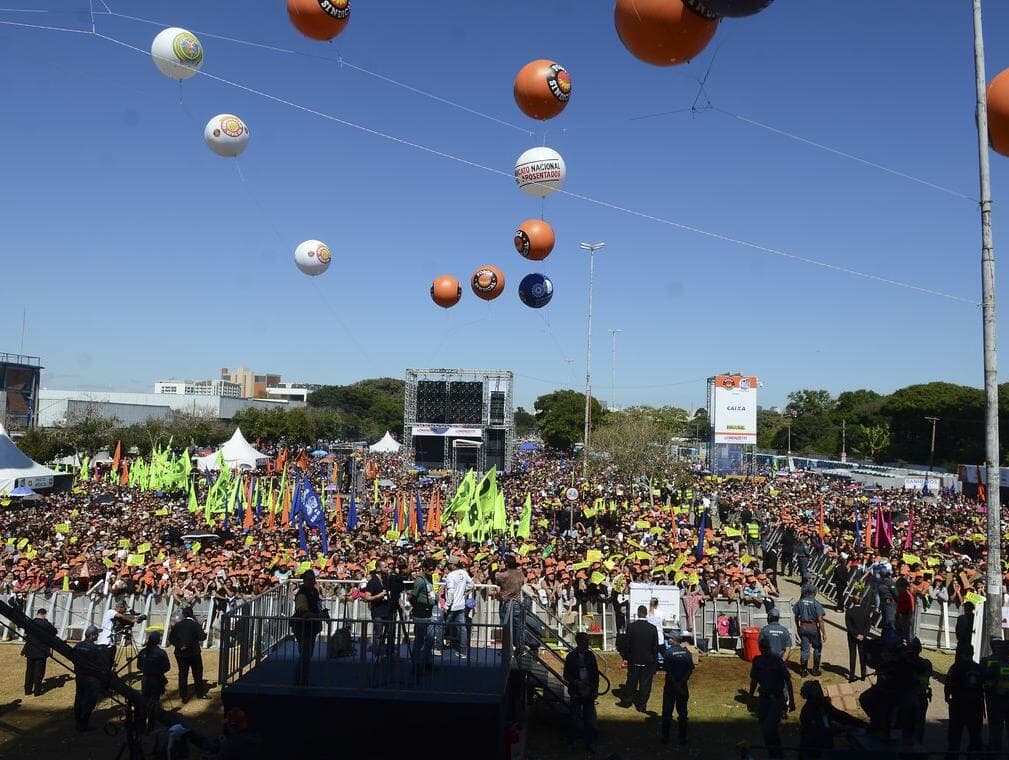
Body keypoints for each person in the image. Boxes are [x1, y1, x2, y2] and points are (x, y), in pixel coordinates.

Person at [748, 638, 795, 759]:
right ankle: (774, 753)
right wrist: (750, 697)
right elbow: (754, 681)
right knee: (766, 729)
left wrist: (792, 701)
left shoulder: (777, 661)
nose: (765, 650)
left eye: (766, 648)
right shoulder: (757, 661)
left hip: (776, 699)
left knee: (770, 728)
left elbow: (788, 681)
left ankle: (777, 754)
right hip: (764, 699)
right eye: (764, 648)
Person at [797, 679, 867, 758]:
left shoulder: (823, 705)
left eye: (820, 691)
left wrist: (860, 723)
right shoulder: (807, 712)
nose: (820, 694)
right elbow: (819, 732)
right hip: (812, 750)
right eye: (817, 693)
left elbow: (840, 716)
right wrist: (841, 729)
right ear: (810, 696)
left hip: (825, 746)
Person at [945, 644, 985, 759]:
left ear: (962, 654)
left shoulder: (956, 667)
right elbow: (984, 685)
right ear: (972, 653)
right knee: (975, 733)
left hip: (959, 703)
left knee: (955, 733)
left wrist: (947, 697)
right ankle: (973, 755)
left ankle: (952, 756)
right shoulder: (979, 668)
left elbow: (948, 683)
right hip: (975, 704)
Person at [618, 605, 659, 712]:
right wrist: (655, 664)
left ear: (637, 613)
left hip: (634, 659)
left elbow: (627, 644)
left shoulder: (631, 627)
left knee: (631, 681)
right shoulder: (652, 628)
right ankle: (642, 704)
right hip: (647, 661)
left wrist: (626, 658)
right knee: (645, 684)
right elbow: (655, 648)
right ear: (646, 614)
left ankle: (627, 701)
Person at [563, 631, 599, 752]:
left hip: (588, 690)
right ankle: (572, 742)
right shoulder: (571, 657)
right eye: (585, 641)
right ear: (579, 642)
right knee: (574, 717)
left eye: (588, 641)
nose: (587, 643)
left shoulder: (590, 656)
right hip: (576, 691)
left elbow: (595, 675)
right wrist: (575, 682)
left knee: (589, 718)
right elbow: (566, 674)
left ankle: (589, 742)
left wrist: (594, 689)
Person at [660, 630, 694, 746]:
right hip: (683, 687)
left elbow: (668, 671)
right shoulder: (687, 652)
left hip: (670, 688)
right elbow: (690, 670)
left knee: (667, 713)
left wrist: (675, 684)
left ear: (673, 640)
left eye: (669, 638)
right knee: (683, 714)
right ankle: (682, 737)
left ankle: (665, 737)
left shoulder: (668, 652)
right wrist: (681, 684)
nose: (668, 639)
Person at [167, 606, 208, 703]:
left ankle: (183, 696)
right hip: (193, 653)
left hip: (181, 654)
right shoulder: (195, 625)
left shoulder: (178, 625)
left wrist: (179, 645)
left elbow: (171, 638)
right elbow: (202, 637)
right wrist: (204, 632)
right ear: (192, 614)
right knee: (197, 673)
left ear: (184, 615)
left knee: (182, 674)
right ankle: (200, 693)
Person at [291, 569, 324, 684]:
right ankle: (299, 681)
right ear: (304, 581)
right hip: (302, 627)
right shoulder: (302, 594)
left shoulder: (314, 592)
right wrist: (318, 616)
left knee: (308, 655)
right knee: (305, 655)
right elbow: (303, 612)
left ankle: (303, 680)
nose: (312, 581)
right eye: (309, 579)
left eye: (313, 579)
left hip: (312, 627)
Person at [73, 625, 108, 732]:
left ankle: (78, 721)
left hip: (80, 676)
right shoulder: (95, 649)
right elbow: (101, 665)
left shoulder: (77, 646)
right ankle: (84, 724)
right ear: (92, 636)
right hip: (92, 679)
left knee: (79, 698)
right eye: (96, 634)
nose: (98, 636)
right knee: (90, 701)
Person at [96, 600, 146, 670]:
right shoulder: (111, 612)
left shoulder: (116, 618)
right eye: (124, 609)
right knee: (104, 665)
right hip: (105, 644)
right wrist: (132, 619)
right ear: (120, 608)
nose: (125, 611)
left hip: (111, 644)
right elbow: (121, 616)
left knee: (109, 665)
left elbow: (122, 623)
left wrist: (135, 619)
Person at [136, 631, 170, 732]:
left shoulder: (143, 652)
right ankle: (151, 725)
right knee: (154, 701)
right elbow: (167, 667)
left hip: (145, 679)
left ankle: (142, 724)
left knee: (145, 700)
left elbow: (139, 666)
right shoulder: (161, 653)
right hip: (156, 679)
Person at [408, 558, 436, 674]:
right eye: (430, 569)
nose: (432, 571)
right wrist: (418, 606)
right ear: (424, 568)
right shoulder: (420, 581)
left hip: (428, 612)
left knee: (430, 639)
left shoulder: (429, 578)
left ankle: (426, 662)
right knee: (419, 640)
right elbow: (413, 597)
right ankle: (416, 664)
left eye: (433, 569)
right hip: (420, 613)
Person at [21, 607, 56, 696]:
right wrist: (48, 622)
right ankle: (37, 691)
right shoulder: (46, 624)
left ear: (37, 614)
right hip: (41, 650)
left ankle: (27, 690)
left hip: (30, 650)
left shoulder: (30, 622)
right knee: (39, 671)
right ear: (44, 615)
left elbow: (26, 633)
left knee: (29, 671)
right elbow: (54, 632)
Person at [494, 555, 525, 654]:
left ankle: (507, 649)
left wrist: (500, 568)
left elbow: (496, 576)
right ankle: (520, 648)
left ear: (506, 564)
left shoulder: (504, 575)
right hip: (517, 603)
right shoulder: (520, 574)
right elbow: (523, 582)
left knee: (506, 627)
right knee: (518, 627)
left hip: (507, 603)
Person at [982, 637, 1009, 752]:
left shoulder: (991, 663)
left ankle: (994, 747)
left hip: (995, 697)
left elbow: (984, 678)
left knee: (995, 725)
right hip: (1004, 698)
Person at [443, 556, 473, 659]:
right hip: (461, 605)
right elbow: (472, 584)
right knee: (462, 628)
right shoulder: (464, 573)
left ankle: (438, 648)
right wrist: (464, 592)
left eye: (448, 564)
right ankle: (463, 652)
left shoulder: (450, 575)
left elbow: (450, 591)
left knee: (441, 626)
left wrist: (447, 605)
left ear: (452, 565)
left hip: (452, 606)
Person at [793, 585, 826, 677]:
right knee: (817, 647)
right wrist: (824, 633)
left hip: (803, 627)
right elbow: (820, 619)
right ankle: (815, 670)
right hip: (813, 628)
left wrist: (798, 626)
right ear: (814, 592)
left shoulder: (800, 602)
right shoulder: (816, 603)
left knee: (804, 649)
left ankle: (803, 670)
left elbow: (796, 615)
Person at [362, 560, 392, 659]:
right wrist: (380, 595)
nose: (388, 568)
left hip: (387, 610)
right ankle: (378, 654)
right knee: (378, 633)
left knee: (389, 633)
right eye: (385, 567)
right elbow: (367, 598)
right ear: (379, 568)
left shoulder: (386, 580)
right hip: (378, 611)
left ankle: (387, 653)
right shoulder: (372, 582)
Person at [844, 595, 871, 682]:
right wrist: (863, 635)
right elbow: (868, 625)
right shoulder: (865, 611)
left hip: (852, 636)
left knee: (853, 655)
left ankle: (851, 675)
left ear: (853, 601)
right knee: (862, 656)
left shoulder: (849, 612)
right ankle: (863, 675)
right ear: (861, 601)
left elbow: (849, 626)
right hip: (862, 637)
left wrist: (855, 635)